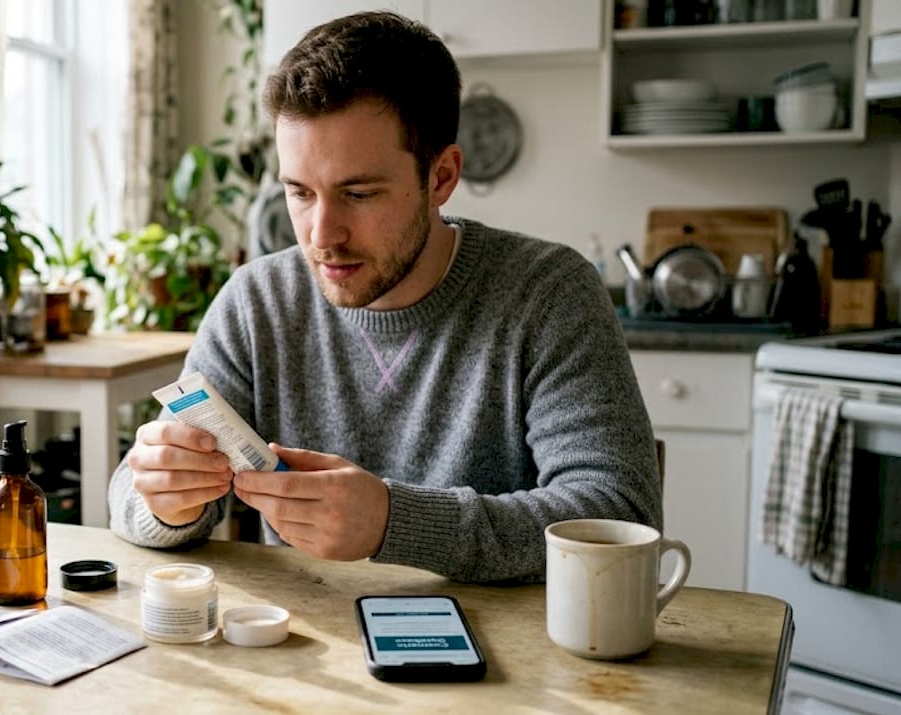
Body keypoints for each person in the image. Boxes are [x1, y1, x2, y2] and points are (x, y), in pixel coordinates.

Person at [107, 11, 660, 583]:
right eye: (299, 192)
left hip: (510, 657)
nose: (322, 236)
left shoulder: (547, 293)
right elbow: (129, 496)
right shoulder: (257, 302)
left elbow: (619, 514)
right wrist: (166, 501)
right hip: (308, 648)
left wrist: (397, 522)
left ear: (441, 177)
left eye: (360, 193)